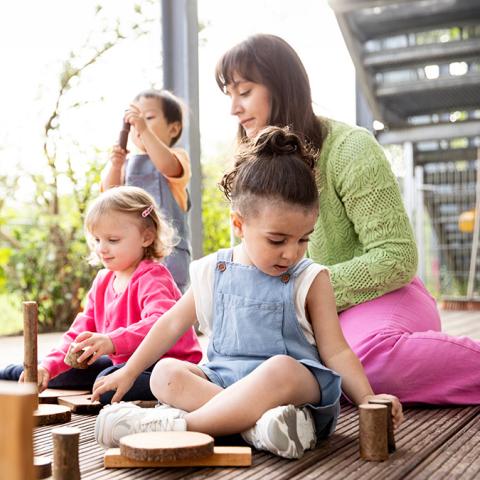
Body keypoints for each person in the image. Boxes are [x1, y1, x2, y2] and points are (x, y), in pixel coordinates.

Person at [91, 127, 402, 460]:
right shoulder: (213, 271)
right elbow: (169, 324)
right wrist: (130, 370)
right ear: (239, 225)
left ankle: (179, 427)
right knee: (166, 373)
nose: (291, 253)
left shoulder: (310, 278)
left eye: (303, 239)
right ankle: (257, 428)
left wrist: (368, 398)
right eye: (277, 240)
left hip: (293, 391)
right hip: (224, 384)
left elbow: (336, 351)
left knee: (281, 368)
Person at [214, 33, 480, 405]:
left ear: (281, 85)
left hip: (384, 297)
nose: (234, 108)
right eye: (229, 94)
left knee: (366, 364)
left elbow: (396, 256)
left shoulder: (350, 148)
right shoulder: (251, 171)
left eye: (244, 91)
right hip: (313, 318)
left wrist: (306, 290)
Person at [0, 186, 202, 404]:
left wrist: (111, 341)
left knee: (105, 385)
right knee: (55, 370)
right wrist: (47, 366)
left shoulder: (153, 276)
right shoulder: (103, 280)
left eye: (113, 240)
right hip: (120, 362)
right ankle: (12, 373)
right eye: (97, 240)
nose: (102, 249)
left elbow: (158, 323)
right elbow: (79, 331)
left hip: (164, 365)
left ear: (146, 237)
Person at [101, 89, 192, 292]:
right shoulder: (126, 164)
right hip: (131, 259)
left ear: (174, 128)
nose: (138, 125)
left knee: (167, 307)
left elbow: (167, 166)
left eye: (148, 117)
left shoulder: (176, 157)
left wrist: (144, 129)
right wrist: (115, 166)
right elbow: (109, 195)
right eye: (133, 122)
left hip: (169, 258)